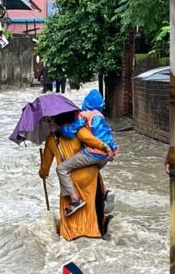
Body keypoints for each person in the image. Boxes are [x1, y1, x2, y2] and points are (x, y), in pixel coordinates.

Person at [39, 112, 109, 240]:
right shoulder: (79, 130)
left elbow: (45, 168)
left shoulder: (51, 139)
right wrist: (105, 147)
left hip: (69, 181)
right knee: (93, 204)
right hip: (90, 175)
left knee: (70, 209)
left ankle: (71, 235)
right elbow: (93, 142)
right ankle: (96, 231)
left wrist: (42, 174)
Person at [58, 89, 117, 217]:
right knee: (93, 169)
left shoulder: (84, 115)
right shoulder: (100, 115)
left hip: (96, 152)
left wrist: (60, 128)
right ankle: (105, 191)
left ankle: (75, 200)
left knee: (61, 168)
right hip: (109, 153)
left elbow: (70, 133)